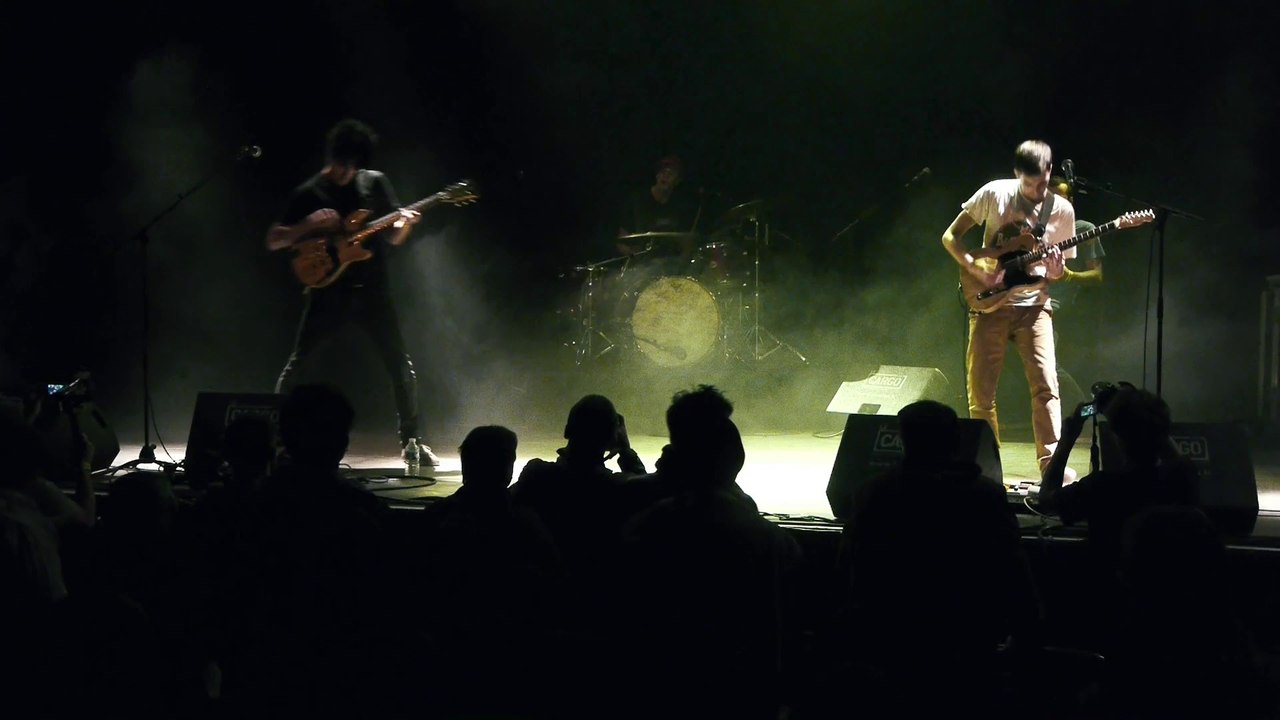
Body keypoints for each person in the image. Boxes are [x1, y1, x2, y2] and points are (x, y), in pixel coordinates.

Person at [265, 118, 438, 466]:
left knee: (400, 366)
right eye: (341, 165)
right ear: (331, 158)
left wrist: (403, 225)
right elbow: (274, 239)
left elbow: (392, 237)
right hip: (328, 291)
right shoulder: (309, 192)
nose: (347, 172)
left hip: (372, 291)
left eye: (353, 165)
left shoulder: (374, 183)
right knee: (297, 364)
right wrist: (308, 225)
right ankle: (276, 436)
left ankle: (412, 440)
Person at [941, 139, 1075, 473]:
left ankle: (1051, 470)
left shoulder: (1061, 210)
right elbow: (950, 237)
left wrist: (1057, 269)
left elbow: (1057, 273)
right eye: (1030, 185)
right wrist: (974, 268)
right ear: (1018, 175)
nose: (1037, 192)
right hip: (990, 305)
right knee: (981, 393)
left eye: (1043, 184)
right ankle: (987, 469)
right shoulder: (994, 193)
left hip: (1035, 307)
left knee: (1046, 387)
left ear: (1050, 172)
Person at [615, 154, 702, 268]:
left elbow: (686, 242)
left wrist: (685, 261)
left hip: (671, 264)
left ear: (678, 181)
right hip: (642, 265)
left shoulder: (680, 205)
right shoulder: (638, 200)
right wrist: (632, 254)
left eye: (671, 173)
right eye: (662, 171)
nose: (665, 175)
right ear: (656, 175)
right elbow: (622, 240)